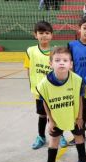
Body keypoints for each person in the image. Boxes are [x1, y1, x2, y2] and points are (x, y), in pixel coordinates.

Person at [37, 47, 86, 162]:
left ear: (71, 64)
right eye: (57, 60)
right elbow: (45, 102)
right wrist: (50, 120)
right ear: (50, 63)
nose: (61, 63)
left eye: (65, 60)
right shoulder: (44, 84)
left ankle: (83, 161)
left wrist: (80, 117)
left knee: (79, 137)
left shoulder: (77, 79)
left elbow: (80, 99)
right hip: (57, 118)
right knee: (54, 141)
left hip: (74, 116)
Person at [24, 21, 68, 150]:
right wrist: (34, 85)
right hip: (39, 92)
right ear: (35, 35)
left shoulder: (55, 52)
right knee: (43, 115)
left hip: (54, 90)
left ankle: (60, 135)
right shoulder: (30, 51)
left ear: (52, 35)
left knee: (56, 114)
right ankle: (41, 136)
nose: (44, 35)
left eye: (47, 33)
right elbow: (28, 69)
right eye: (41, 33)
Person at [68, 17, 86, 145]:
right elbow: (70, 64)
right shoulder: (72, 45)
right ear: (79, 28)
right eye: (84, 28)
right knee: (81, 112)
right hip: (79, 86)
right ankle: (80, 135)